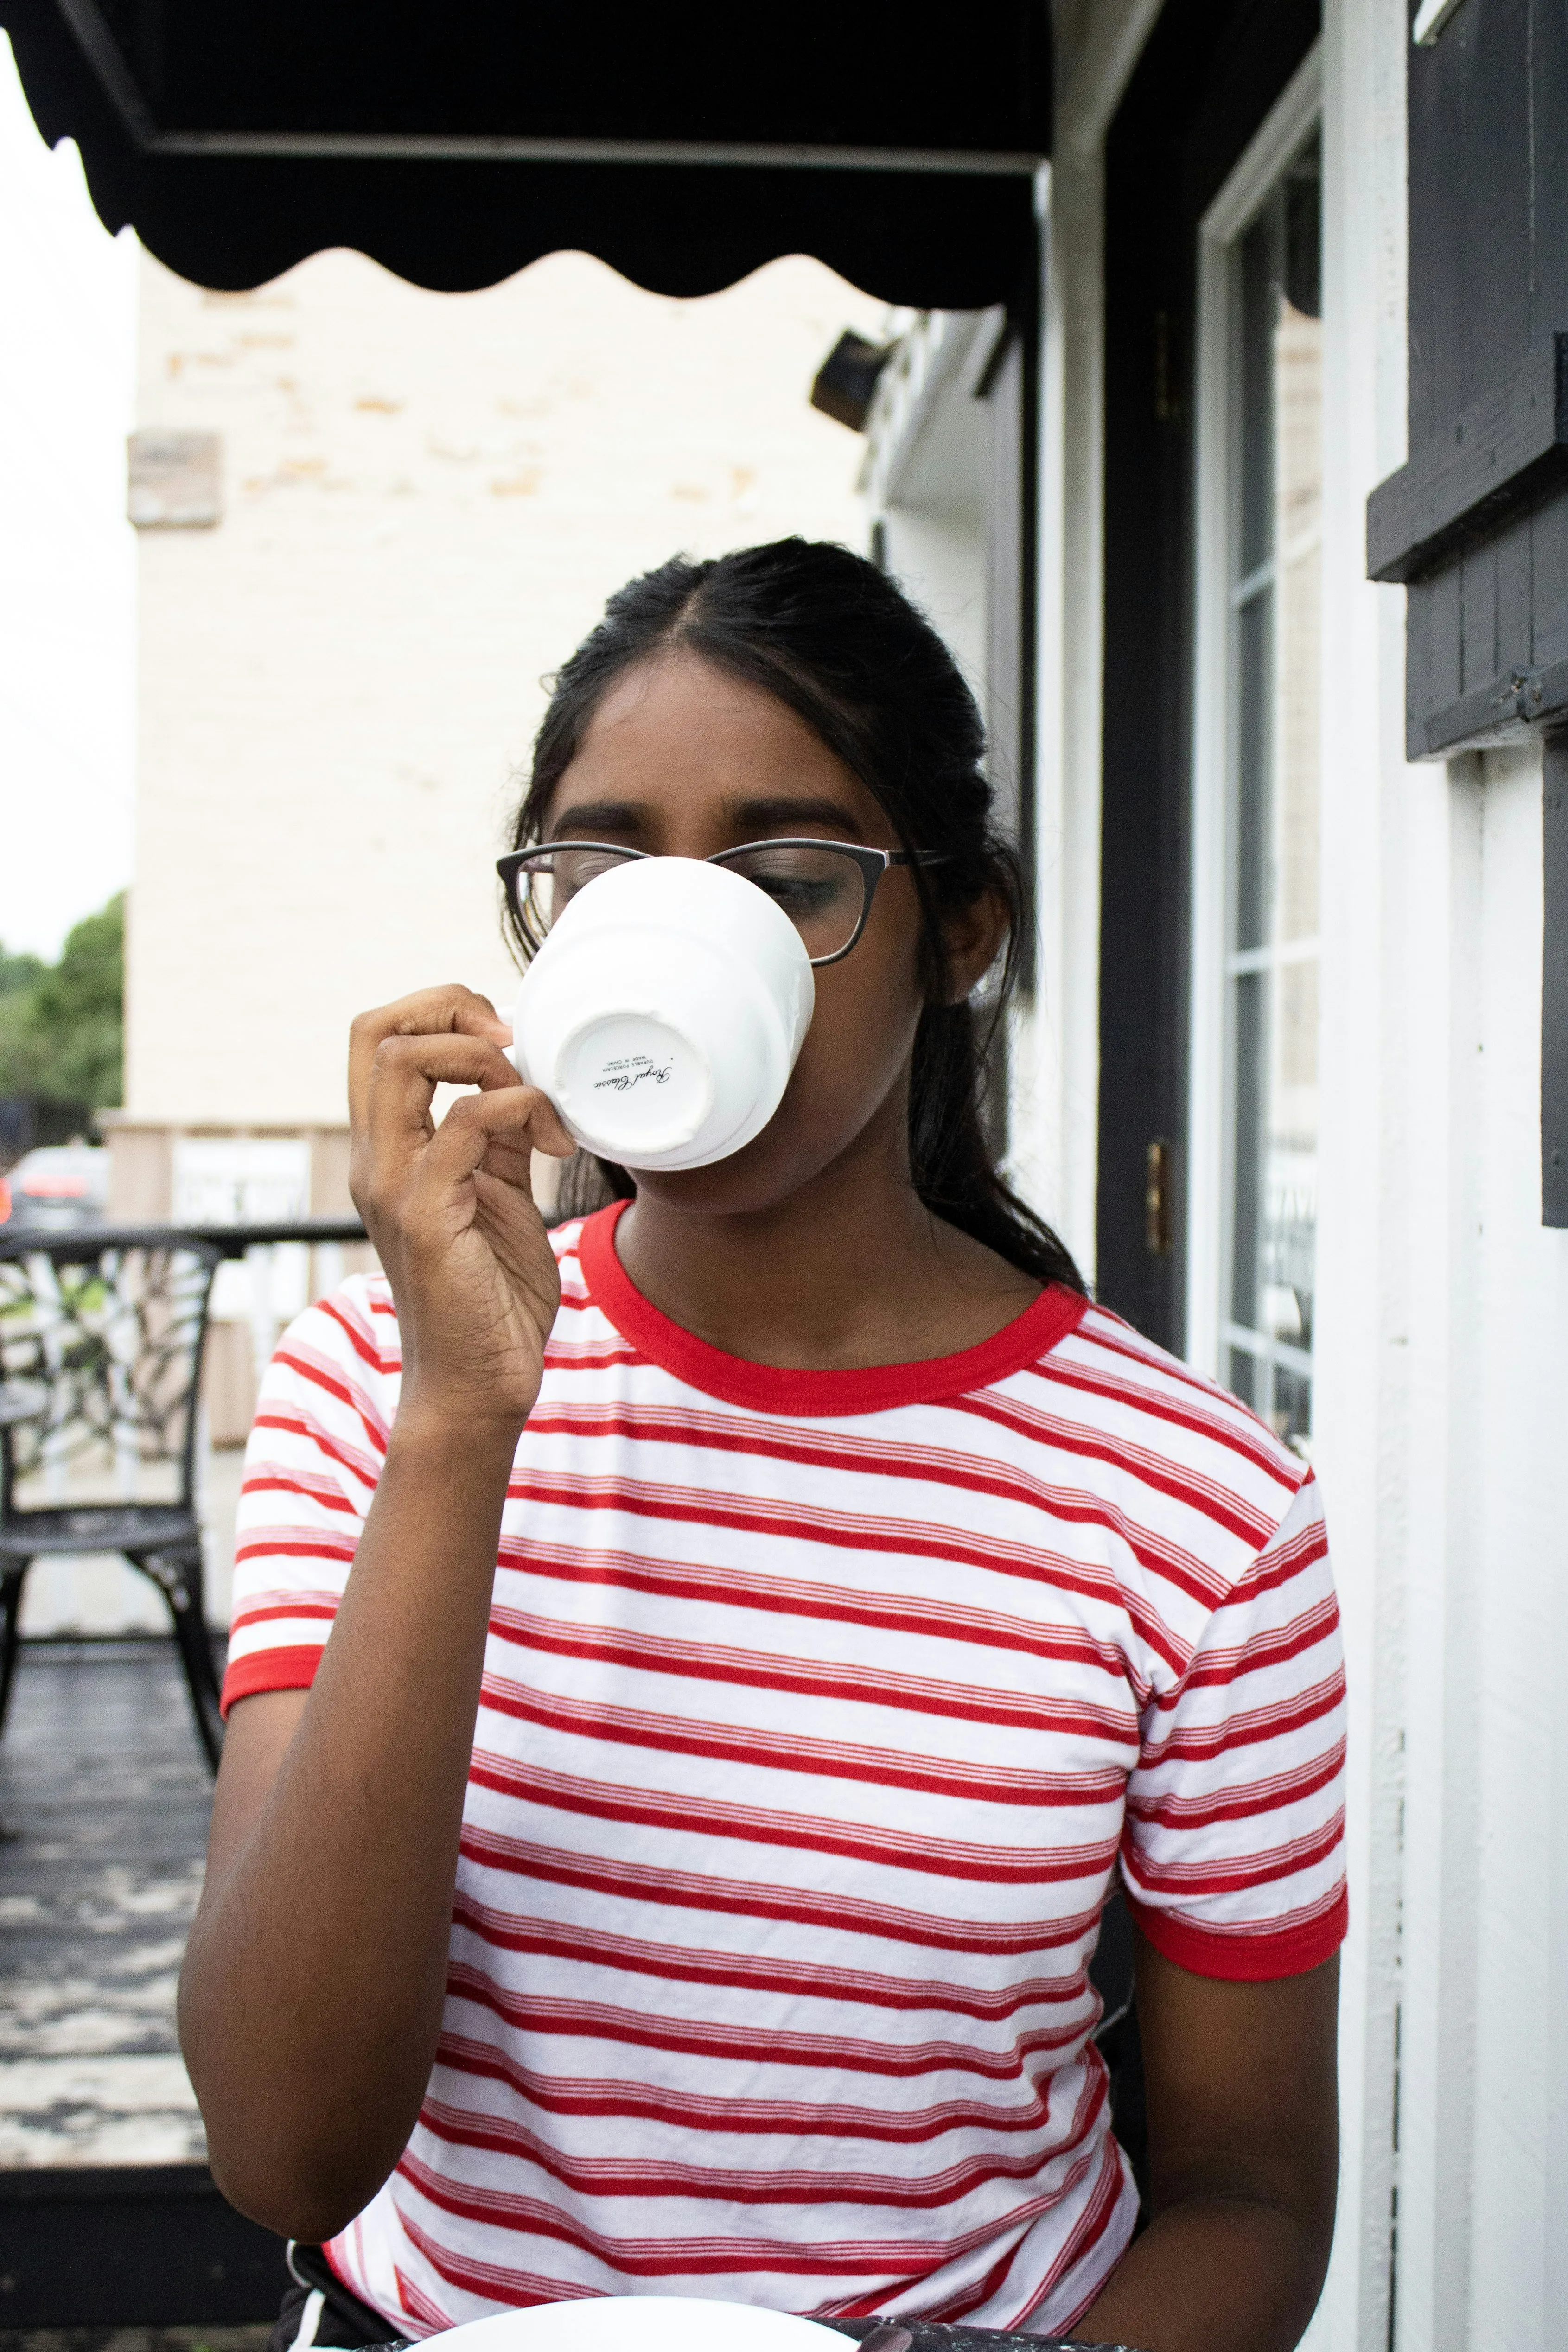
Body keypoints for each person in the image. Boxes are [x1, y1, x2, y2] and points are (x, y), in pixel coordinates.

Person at [179, 541, 1345, 2352]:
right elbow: (281, 2145)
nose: (680, 932)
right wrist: (463, 1423)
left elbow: (1248, 2185)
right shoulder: (374, 1393)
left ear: (962, 932)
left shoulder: (1198, 1505)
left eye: (788, 876)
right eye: (603, 867)